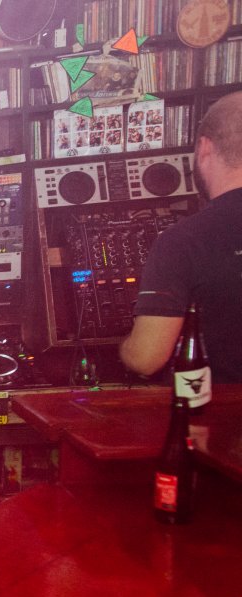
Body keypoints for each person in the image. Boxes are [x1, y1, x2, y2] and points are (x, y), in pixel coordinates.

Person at [120, 91, 242, 383]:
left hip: (221, 408)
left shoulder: (183, 240)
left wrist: (124, 347)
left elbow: (146, 359)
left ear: (204, 148)